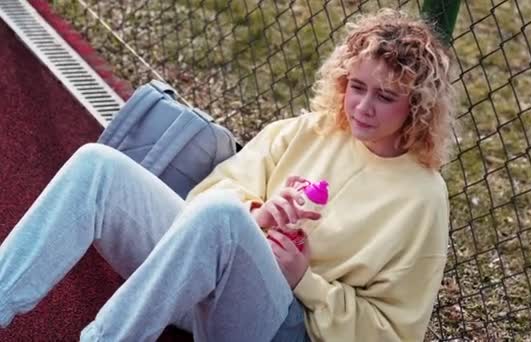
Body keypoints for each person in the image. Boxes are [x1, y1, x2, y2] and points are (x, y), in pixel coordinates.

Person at [0, 8, 454, 342]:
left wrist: (304, 280)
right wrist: (258, 215)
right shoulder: (312, 129)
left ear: (415, 106)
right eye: (356, 87)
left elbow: (394, 332)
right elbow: (210, 196)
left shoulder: (421, 198)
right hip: (200, 284)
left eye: (385, 97)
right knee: (96, 166)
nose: (362, 107)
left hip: (290, 326)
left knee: (222, 217)